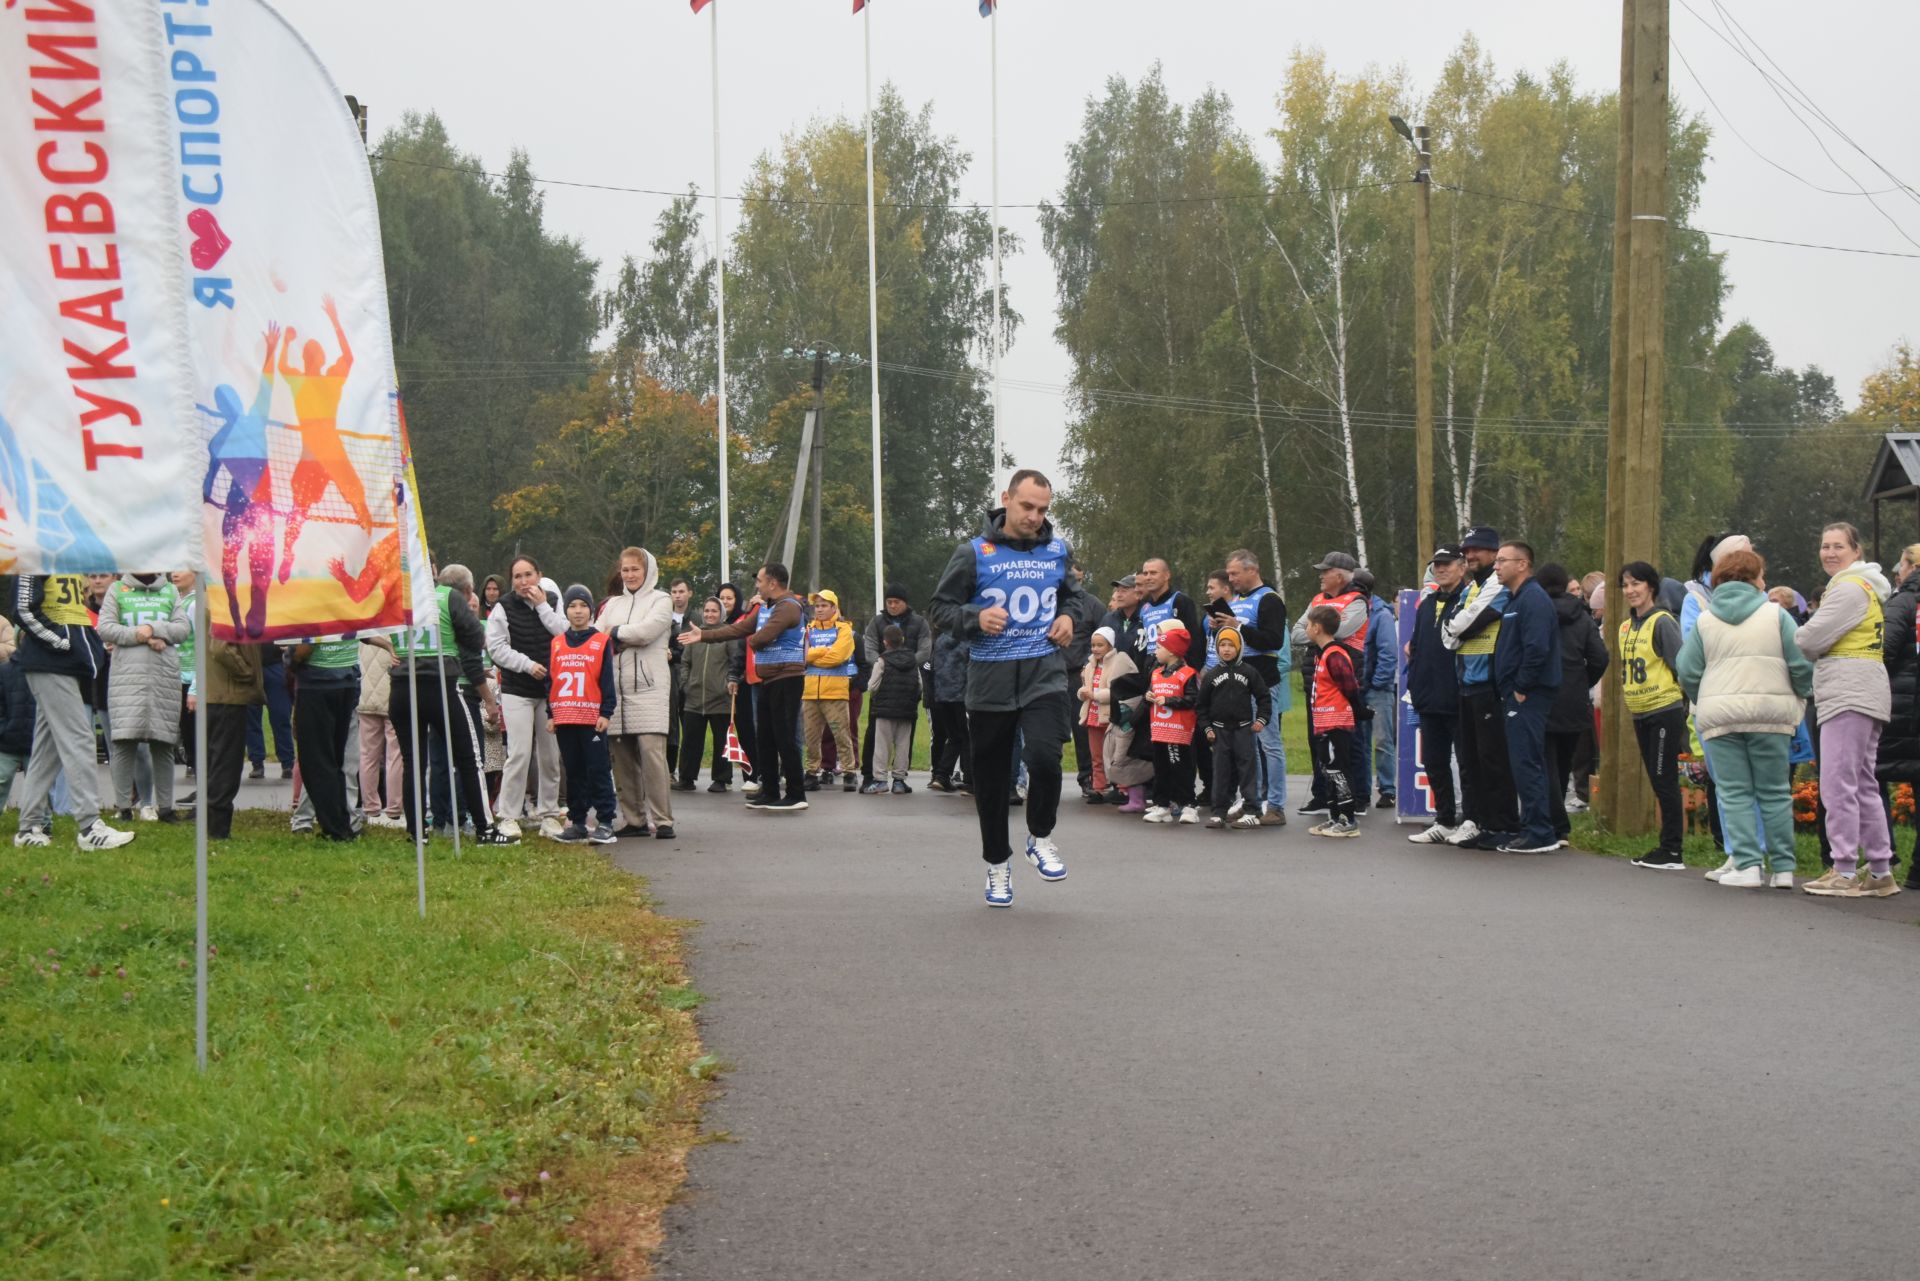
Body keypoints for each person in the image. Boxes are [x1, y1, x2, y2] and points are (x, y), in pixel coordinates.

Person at [928, 469, 1085, 907]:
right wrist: (974, 619)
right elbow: (940, 608)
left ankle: (1040, 836)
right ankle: (997, 865)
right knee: (993, 782)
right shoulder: (975, 552)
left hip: (1043, 674)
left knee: (1044, 758)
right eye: (1027, 507)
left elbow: (1074, 597)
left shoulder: (1057, 551)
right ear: (1006, 499)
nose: (1035, 517)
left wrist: (1070, 617)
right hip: (990, 680)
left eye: (1043, 509)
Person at [1675, 548, 1813, 890]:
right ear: (1755, 579)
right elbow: (1800, 664)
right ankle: (1782, 869)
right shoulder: (1776, 615)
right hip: (1771, 715)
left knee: (1734, 792)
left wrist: (1704, 696)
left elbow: (1687, 670)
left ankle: (1748, 866)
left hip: (1721, 717)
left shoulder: (1705, 621)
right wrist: (1799, 694)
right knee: (1775, 792)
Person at [1797, 522, 1898, 897]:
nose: (1830, 553)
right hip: (1866, 689)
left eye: (1839, 546)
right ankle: (1880, 871)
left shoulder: (1848, 589)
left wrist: (1804, 635)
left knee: (1838, 782)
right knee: (1864, 782)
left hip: (1848, 691)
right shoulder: (1866, 587)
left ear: (1857, 552)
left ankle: (1843, 869)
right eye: (1825, 546)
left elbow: (1809, 638)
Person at [391, 563, 516, 846]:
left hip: (401, 687)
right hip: (440, 685)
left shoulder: (396, 598)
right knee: (469, 758)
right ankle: (484, 829)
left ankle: (416, 833)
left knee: (414, 761)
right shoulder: (447, 596)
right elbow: (475, 637)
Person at [9, 574, 134, 850]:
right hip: (50, 661)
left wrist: (83, 645)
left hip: (64, 662)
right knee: (79, 738)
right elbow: (22, 608)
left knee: (47, 748)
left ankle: (28, 827)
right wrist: (60, 641)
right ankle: (90, 827)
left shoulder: (66, 556)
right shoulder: (38, 554)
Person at [679, 562, 810, 813]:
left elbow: (759, 639)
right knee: (765, 738)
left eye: (760, 581)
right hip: (767, 680)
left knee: (784, 737)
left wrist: (754, 635)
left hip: (787, 679)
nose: (757, 585)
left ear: (772, 583)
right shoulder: (765, 609)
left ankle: (796, 793)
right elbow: (738, 629)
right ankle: (770, 791)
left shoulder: (789, 607)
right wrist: (704, 636)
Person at [1442, 526, 1517, 847]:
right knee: (1470, 760)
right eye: (1467, 550)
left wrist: (1459, 627)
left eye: (1477, 550)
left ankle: (1502, 825)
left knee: (1493, 760)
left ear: (1493, 552)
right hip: (1466, 683)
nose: (1470, 555)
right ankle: (1481, 821)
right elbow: (1448, 633)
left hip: (1488, 684)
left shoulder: (1496, 585)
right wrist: (1460, 627)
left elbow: (1463, 624)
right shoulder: (1472, 588)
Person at [95, 573, 189, 823]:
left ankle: (166, 808)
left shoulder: (169, 591)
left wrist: (155, 628)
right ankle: (124, 807)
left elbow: (182, 628)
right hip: (127, 675)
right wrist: (142, 635)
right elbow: (105, 628)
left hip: (163, 676)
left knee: (164, 741)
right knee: (124, 741)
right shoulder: (117, 589)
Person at [485, 556, 567, 839]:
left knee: (550, 755)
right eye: (518, 576)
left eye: (528, 575)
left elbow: (564, 635)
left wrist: (543, 605)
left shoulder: (554, 600)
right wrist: (526, 664)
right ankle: (508, 815)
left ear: (539, 575)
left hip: (549, 690)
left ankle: (549, 813)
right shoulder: (502, 607)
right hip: (517, 688)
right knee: (519, 753)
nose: (523, 582)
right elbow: (496, 648)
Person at [597, 546, 676, 839]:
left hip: (650, 688)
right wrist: (618, 635)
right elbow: (596, 636)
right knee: (622, 756)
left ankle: (663, 819)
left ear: (648, 571)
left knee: (652, 753)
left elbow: (646, 632)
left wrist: (615, 633)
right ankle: (634, 819)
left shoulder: (662, 600)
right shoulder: (612, 604)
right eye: (625, 569)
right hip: (616, 689)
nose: (629, 575)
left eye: (635, 569)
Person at [1616, 561, 1691, 869]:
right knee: (1656, 778)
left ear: (1651, 586)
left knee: (1664, 780)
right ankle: (1666, 846)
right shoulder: (1625, 626)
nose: (1631, 590)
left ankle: (1672, 850)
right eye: (1626, 585)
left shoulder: (1662, 622)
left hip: (1664, 710)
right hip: (1640, 712)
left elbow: (1681, 665)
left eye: (1637, 583)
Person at [1490, 541, 1562, 855]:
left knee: (1527, 762)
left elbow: (1537, 649)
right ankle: (1533, 825)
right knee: (1525, 761)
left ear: (1523, 564)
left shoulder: (1533, 599)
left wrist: (1521, 686)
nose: (1496, 566)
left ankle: (1540, 832)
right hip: (1517, 693)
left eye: (1502, 560)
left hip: (1529, 695)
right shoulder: (1514, 599)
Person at [1292, 552, 1370, 819]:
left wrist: (1317, 633)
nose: (1321, 576)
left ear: (1340, 575)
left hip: (1343, 673)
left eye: (1326, 571)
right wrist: (1319, 634)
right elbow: (1297, 632)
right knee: (1319, 741)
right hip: (1315, 675)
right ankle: (1323, 795)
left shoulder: (1358, 600)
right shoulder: (1317, 599)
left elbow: (1341, 632)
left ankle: (1356, 798)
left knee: (1349, 742)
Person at [1538, 564, 1608, 848]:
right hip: (1574, 700)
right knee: (1564, 762)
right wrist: (1582, 681)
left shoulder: (1537, 614)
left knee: (1545, 764)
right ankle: (1558, 824)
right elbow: (1600, 657)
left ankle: (1556, 825)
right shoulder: (1582, 617)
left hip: (1543, 697)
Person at [548, 585, 621, 845]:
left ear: (590, 610)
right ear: (565, 610)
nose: (577, 611)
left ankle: (605, 822)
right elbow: (552, 681)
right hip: (565, 717)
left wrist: (606, 711)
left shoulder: (601, 641)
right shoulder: (557, 643)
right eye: (572, 606)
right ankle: (577, 822)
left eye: (582, 606)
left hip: (591, 719)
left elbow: (607, 681)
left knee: (598, 769)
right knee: (574, 771)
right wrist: (551, 713)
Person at [1224, 549, 1292, 826]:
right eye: (1228, 574)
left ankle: (1275, 805)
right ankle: (1252, 800)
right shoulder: (1238, 600)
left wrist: (1237, 627)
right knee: (1246, 745)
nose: (1231, 579)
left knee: (1269, 743)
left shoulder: (1269, 599)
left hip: (1262, 679)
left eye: (1235, 574)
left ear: (1252, 570)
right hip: (1238, 679)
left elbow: (1273, 640)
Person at [1406, 545, 1468, 845]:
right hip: (1428, 696)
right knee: (1434, 760)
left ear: (1462, 566)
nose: (1441, 569)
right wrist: (1415, 686)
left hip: (1459, 695)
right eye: (1437, 565)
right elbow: (1415, 647)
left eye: (1447, 564)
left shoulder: (1470, 599)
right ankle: (1444, 820)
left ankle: (1470, 818)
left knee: (1468, 762)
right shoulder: (1428, 603)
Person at [287, 634, 363, 841]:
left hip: (318, 682)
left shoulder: (317, 605)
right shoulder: (349, 603)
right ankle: (342, 823)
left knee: (317, 762)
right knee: (336, 760)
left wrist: (291, 660)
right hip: (346, 681)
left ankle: (335, 829)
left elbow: (305, 647)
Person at [1197, 624, 1272, 830]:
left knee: (1247, 770)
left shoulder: (1249, 672)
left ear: (1239, 647)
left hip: (1244, 730)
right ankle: (1219, 812)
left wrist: (1261, 720)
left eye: (1231, 645)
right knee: (1220, 772)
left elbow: (1264, 697)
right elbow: (1201, 706)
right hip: (1219, 732)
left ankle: (1251, 810)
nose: (1227, 649)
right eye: (1222, 645)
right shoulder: (1211, 675)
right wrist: (1207, 728)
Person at [859, 584, 932, 791]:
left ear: (905, 603)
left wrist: (907, 662)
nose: (891, 605)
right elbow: (870, 647)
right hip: (884, 682)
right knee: (874, 734)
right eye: (889, 602)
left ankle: (899, 778)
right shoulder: (877, 621)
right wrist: (886, 662)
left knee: (904, 737)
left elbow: (925, 650)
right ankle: (869, 775)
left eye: (896, 602)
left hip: (908, 684)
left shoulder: (919, 623)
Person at [1877, 544, 1920, 891]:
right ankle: (1918, 871)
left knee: (1872, 777)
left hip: (1901, 707)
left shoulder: (1902, 602)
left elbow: (1885, 651)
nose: (1897, 572)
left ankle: (1883, 855)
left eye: (1900, 565)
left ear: (1911, 568)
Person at [1303, 605, 1362, 838]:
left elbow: (1349, 686)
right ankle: (1335, 816)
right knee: (1327, 769)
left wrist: (1359, 710)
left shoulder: (1335, 654)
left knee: (1339, 769)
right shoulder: (1322, 653)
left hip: (1336, 721)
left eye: (1308, 624)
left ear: (1317, 628)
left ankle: (1348, 820)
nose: (1306, 628)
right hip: (1323, 721)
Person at [201, 635, 264, 840]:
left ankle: (213, 825)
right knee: (225, 764)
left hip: (216, 692)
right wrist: (246, 672)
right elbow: (221, 647)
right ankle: (218, 829)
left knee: (216, 762)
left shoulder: (210, 602)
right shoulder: (223, 602)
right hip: (226, 693)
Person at [800, 589, 859, 793]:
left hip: (835, 692)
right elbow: (801, 656)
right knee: (811, 737)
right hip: (809, 692)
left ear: (834, 607)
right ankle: (811, 772)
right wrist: (823, 651)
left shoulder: (843, 629)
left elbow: (838, 657)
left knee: (841, 734)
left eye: (824, 605)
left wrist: (813, 655)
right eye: (817, 606)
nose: (820, 609)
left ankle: (849, 773)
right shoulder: (808, 629)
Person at [678, 597, 738, 792]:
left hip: (721, 697)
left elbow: (736, 663)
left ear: (721, 613)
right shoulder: (695, 634)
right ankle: (687, 778)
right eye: (707, 610)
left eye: (714, 611)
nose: (710, 614)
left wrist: (729, 682)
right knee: (690, 740)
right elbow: (685, 662)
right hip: (694, 697)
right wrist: (686, 683)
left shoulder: (728, 635)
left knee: (722, 740)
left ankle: (721, 779)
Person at [1142, 623, 1201, 824]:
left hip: (1179, 732)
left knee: (1181, 768)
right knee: (1160, 768)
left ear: (1173, 652)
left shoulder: (1188, 674)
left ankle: (1188, 805)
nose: (1156, 651)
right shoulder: (1157, 673)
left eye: (1160, 647)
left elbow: (1193, 699)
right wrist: (1148, 697)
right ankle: (1162, 805)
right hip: (1159, 730)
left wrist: (1169, 701)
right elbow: (1151, 696)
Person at [1061, 564, 1107, 800]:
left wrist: (1091, 667)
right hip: (1048, 675)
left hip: (1078, 675)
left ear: (1082, 577)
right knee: (1047, 731)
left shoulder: (1093, 604)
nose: (1073, 583)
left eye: (1076, 579)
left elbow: (1107, 638)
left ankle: (1088, 777)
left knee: (1082, 730)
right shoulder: (1052, 602)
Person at [1355, 569, 1398, 809]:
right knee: (1360, 741)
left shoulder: (1380, 615)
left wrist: (1377, 682)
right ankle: (1362, 790)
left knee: (1382, 739)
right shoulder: (1353, 612)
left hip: (1375, 688)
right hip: (1357, 687)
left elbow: (1388, 652)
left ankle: (1388, 788)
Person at [355, 641, 405, 828]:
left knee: (368, 755)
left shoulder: (367, 631)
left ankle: (371, 807)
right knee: (395, 754)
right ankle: (394, 809)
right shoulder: (394, 631)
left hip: (366, 696)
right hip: (393, 695)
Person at [867, 624, 921, 792]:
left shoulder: (882, 660)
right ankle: (899, 780)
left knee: (882, 745)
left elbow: (872, 686)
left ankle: (881, 780)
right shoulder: (913, 660)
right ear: (902, 640)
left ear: (885, 642)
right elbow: (920, 685)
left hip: (885, 709)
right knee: (903, 745)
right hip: (907, 709)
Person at [927, 627, 971, 794]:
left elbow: (933, 666)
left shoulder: (940, 640)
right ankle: (970, 781)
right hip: (962, 695)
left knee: (954, 737)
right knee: (968, 737)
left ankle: (942, 775)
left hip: (942, 695)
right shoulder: (969, 641)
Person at [1076, 627, 1116, 802]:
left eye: (1100, 645)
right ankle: (1099, 788)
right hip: (1093, 716)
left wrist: (1095, 696)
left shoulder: (1116, 664)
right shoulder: (1089, 665)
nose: (1095, 649)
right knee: (1096, 756)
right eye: (1093, 645)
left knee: (1114, 755)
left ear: (1110, 646)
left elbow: (1115, 691)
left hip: (1109, 716)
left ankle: (1120, 788)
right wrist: (1082, 693)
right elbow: (1085, 687)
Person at [0, 648, 37, 808]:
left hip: (37, 740)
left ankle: (43, 824)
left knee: (38, 785)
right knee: (1, 779)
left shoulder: (45, 671)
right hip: (8, 739)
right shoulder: (5, 670)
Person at [666, 575, 693, 777]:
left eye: (681, 591)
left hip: (689, 676)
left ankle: (687, 772)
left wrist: (674, 654)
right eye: (674, 592)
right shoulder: (664, 619)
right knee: (670, 723)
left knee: (690, 724)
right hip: (668, 675)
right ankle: (669, 769)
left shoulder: (696, 620)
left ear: (689, 593)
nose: (678, 596)